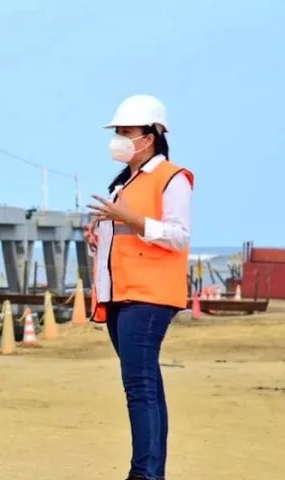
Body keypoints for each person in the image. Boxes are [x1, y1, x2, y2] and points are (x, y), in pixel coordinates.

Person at [86, 94, 193, 480]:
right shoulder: (126, 182)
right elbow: (129, 233)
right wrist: (102, 232)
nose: (119, 138)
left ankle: (143, 473)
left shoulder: (173, 177)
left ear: (150, 137)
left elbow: (178, 236)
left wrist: (127, 219)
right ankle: (151, 471)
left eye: (126, 131)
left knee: (139, 387)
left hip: (147, 297)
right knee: (146, 385)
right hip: (122, 295)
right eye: (118, 131)